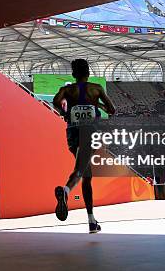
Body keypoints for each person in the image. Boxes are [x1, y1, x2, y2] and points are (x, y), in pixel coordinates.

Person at [53, 59, 116, 234]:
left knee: (86, 175)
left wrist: (65, 112)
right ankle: (65, 190)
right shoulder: (96, 88)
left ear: (73, 74)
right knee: (81, 170)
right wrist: (97, 104)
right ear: (88, 73)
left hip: (73, 131)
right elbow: (112, 110)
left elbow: (56, 101)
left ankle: (91, 221)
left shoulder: (67, 90)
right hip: (90, 131)